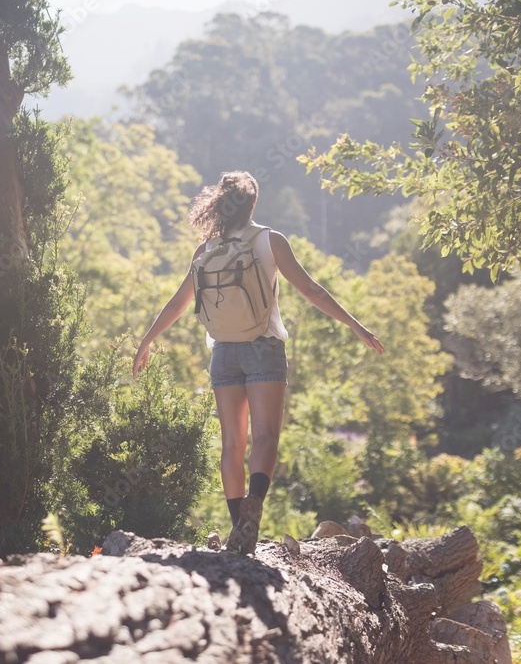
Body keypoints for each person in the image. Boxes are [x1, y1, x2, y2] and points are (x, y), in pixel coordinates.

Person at [132, 170, 384, 555]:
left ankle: (238, 529)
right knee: (265, 436)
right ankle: (253, 512)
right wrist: (355, 324)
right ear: (253, 204)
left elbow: (179, 303)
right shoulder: (270, 240)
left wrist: (148, 339)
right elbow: (312, 290)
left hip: (223, 351)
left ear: (219, 205)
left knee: (232, 443)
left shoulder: (205, 251)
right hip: (263, 346)